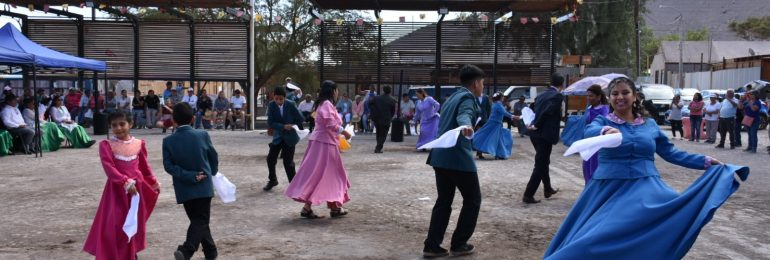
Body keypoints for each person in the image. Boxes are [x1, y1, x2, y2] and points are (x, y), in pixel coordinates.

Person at [542, 77, 746, 260]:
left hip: (646, 188)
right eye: (614, 94)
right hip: (608, 190)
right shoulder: (602, 120)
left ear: (635, 96)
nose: (619, 97)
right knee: (592, 241)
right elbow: (589, 131)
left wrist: (705, 161)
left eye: (625, 92)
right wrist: (604, 130)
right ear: (609, 98)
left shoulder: (650, 125)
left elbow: (672, 153)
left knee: (663, 224)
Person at [423, 64, 484, 258]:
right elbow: (464, 115)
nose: (482, 86)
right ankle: (459, 243)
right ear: (476, 83)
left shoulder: (452, 98)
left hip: (440, 157)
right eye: (482, 83)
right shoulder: (468, 98)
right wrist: (466, 124)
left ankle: (432, 245)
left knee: (443, 201)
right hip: (457, 158)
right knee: (473, 200)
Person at [83, 111, 160, 260]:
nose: (118, 128)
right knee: (116, 224)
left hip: (136, 191)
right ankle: (114, 254)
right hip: (116, 191)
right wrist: (125, 181)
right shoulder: (107, 145)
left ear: (130, 124)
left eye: (122, 124)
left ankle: (132, 253)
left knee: (134, 221)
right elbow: (109, 168)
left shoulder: (139, 144)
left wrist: (153, 182)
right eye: (114, 125)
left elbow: (144, 167)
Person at [284, 80, 352, 219]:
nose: (337, 92)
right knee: (333, 175)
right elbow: (330, 123)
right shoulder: (327, 104)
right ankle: (334, 207)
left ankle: (310, 207)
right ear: (333, 91)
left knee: (318, 175)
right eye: (336, 90)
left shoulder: (322, 104)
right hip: (325, 144)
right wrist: (344, 132)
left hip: (321, 143)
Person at [163, 103, 220, 260]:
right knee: (200, 221)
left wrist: (188, 176)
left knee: (198, 220)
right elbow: (213, 157)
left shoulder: (168, 141)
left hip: (184, 188)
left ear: (174, 121)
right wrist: (211, 173)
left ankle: (208, 251)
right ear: (194, 118)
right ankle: (189, 250)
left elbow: (169, 167)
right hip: (203, 185)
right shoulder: (202, 135)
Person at [522, 74, 564, 204]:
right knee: (540, 164)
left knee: (543, 161)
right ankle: (528, 195)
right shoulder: (557, 96)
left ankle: (547, 188)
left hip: (535, 135)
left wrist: (533, 124)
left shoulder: (541, 95)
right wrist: (537, 124)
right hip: (545, 134)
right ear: (561, 85)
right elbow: (548, 111)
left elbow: (533, 110)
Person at [263, 87, 304, 191]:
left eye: (281, 99)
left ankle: (293, 184)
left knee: (288, 162)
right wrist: (283, 126)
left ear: (285, 98)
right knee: (270, 159)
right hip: (278, 137)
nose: (278, 101)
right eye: (276, 98)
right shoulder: (271, 105)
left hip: (290, 137)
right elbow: (270, 122)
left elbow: (300, 118)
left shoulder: (291, 104)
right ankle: (273, 180)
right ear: (274, 97)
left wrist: (293, 124)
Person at [472, 92, 518, 160]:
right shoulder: (498, 105)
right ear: (500, 98)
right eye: (502, 97)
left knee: (495, 138)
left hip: (495, 123)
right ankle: (498, 154)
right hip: (495, 123)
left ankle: (499, 153)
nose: (503, 98)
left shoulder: (495, 104)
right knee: (495, 137)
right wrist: (513, 116)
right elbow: (504, 113)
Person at [581, 85, 610, 183]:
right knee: (587, 169)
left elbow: (605, 124)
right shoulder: (589, 108)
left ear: (599, 97)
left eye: (591, 96)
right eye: (587, 96)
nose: (588, 98)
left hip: (598, 144)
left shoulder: (604, 109)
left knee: (595, 168)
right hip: (588, 143)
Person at [369, 86, 396, 153]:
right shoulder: (392, 99)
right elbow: (393, 111)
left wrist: (374, 112)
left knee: (378, 133)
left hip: (377, 118)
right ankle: (378, 148)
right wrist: (390, 117)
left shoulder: (376, 98)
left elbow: (369, 104)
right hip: (386, 119)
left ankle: (378, 146)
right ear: (390, 91)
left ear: (383, 90)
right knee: (383, 135)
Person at [474, 93, 492, 159]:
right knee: (477, 135)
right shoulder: (474, 96)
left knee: (482, 136)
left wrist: (488, 118)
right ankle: (478, 150)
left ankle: (479, 152)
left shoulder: (485, 97)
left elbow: (488, 108)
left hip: (484, 119)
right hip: (476, 119)